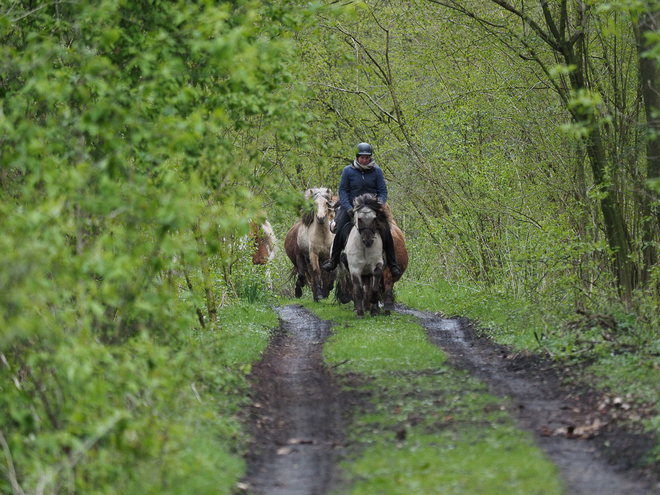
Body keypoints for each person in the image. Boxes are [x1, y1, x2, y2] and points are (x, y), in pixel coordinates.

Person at [322, 142, 401, 277]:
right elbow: (343, 191)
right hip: (353, 209)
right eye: (362, 157)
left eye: (367, 157)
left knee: (387, 231)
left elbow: (382, 190)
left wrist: (379, 205)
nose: (364, 160)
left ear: (370, 158)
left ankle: (393, 264)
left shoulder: (377, 171)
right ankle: (333, 260)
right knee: (340, 230)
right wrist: (348, 208)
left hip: (373, 210)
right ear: (357, 157)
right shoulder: (348, 171)